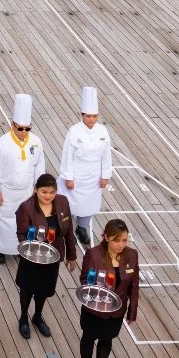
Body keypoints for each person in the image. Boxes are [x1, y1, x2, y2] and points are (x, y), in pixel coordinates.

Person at [78, 219, 139, 358]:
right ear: (106, 238)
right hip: (94, 308)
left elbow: (134, 285)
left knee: (107, 341)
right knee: (88, 339)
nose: (121, 245)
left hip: (116, 311)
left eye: (124, 240)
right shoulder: (93, 254)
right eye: (116, 240)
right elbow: (84, 280)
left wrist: (132, 311)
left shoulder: (132, 255)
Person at [14, 173, 77, 339]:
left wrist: (71, 255)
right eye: (44, 192)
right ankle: (23, 318)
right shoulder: (26, 208)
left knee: (43, 290)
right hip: (31, 256)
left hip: (52, 256)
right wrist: (30, 249)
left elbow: (69, 230)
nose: (48, 196)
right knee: (27, 289)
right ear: (36, 190)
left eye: (51, 192)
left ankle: (37, 316)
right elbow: (21, 234)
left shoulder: (63, 202)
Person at [0, 94, 45, 265]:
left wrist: (38, 187)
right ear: (13, 125)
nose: (24, 132)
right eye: (21, 129)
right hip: (7, 191)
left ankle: (19, 247)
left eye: (28, 129)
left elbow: (39, 166)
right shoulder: (2, 144)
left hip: (26, 191)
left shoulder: (36, 142)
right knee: (3, 222)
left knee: (23, 222)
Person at [59, 86, 113, 245]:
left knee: (89, 205)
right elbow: (67, 155)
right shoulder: (74, 131)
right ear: (82, 115)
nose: (91, 119)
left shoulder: (103, 131)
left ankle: (81, 228)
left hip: (94, 174)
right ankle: (67, 230)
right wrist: (68, 177)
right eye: (88, 116)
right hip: (77, 172)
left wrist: (105, 175)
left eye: (94, 116)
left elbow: (106, 154)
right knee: (70, 204)